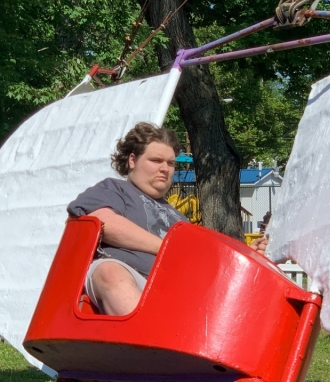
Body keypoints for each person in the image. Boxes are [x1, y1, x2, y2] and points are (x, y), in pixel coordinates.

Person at [67, 123, 267, 315]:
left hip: (175, 293)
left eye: (171, 163)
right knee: (110, 272)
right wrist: (166, 246)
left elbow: (206, 259)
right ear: (132, 160)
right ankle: (144, 339)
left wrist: (250, 255)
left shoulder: (180, 219)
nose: (165, 168)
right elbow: (102, 222)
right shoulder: (113, 188)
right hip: (129, 276)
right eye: (156, 161)